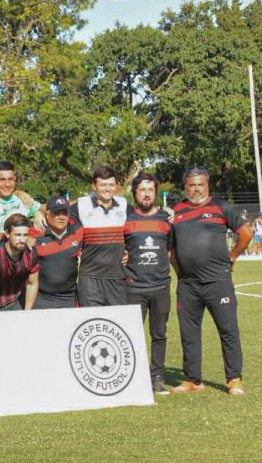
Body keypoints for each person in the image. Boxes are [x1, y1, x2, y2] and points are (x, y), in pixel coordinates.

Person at [169, 167, 253, 396]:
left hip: (218, 282)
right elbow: (172, 250)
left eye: (200, 184)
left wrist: (233, 257)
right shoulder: (176, 211)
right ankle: (192, 380)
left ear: (208, 185)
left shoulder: (221, 207)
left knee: (228, 331)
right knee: (188, 333)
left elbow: (246, 233)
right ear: (185, 186)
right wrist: (181, 273)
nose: (196, 188)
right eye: (191, 184)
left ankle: (234, 379)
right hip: (188, 285)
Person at [124, 173, 173, 395]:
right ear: (135, 192)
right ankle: (132, 376)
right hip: (133, 287)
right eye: (142, 190)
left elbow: (171, 250)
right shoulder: (124, 218)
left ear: (155, 192)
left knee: (159, 334)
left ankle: (157, 376)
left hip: (160, 286)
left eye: (150, 190)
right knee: (131, 334)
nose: (146, 194)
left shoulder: (165, 220)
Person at [69, 166, 128, 306]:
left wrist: (129, 250)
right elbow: (55, 214)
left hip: (117, 279)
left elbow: (138, 226)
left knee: (116, 325)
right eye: (103, 185)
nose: (108, 189)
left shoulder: (124, 205)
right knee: (92, 324)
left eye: (111, 185)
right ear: (94, 186)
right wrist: (39, 212)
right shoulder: (81, 205)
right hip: (90, 281)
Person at [33, 196, 83, 309]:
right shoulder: (35, 232)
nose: (61, 217)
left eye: (65, 213)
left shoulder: (79, 230)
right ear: (47, 214)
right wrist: (35, 213)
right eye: (56, 213)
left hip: (69, 298)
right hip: (41, 298)